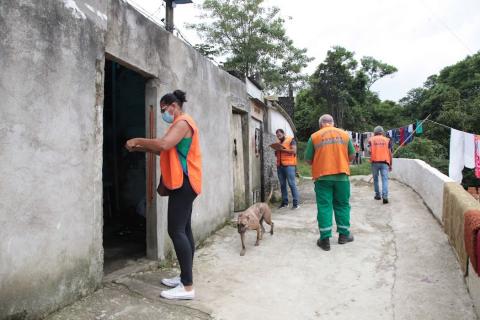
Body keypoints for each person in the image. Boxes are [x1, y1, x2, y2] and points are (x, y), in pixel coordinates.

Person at [125, 90, 201, 300]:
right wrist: (140, 148)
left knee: (175, 230)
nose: (163, 113)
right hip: (187, 183)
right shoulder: (179, 125)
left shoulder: (183, 122)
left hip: (184, 183)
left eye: (163, 109)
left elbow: (164, 145)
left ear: (173, 106)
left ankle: (187, 287)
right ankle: (185, 277)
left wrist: (137, 139)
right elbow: (165, 151)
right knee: (184, 229)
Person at [304, 114, 355, 251]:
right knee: (342, 205)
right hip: (342, 177)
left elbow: (308, 160)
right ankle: (344, 236)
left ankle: (325, 240)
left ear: (321, 124)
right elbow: (352, 155)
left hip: (322, 178)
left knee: (324, 206)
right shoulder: (344, 135)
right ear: (332, 123)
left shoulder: (314, 136)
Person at [274, 129, 300, 209]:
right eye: (277, 135)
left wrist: (282, 149)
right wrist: (276, 151)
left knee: (292, 184)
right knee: (282, 185)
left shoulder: (291, 140)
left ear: (283, 133)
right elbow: (277, 154)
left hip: (289, 165)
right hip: (280, 166)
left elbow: (294, 151)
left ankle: (296, 204)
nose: (278, 136)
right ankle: (285, 203)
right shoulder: (278, 143)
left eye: (280, 134)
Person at [368, 126, 392, 204]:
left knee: (376, 179)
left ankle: (377, 195)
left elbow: (369, 151)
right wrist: (390, 164)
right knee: (385, 179)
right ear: (382, 132)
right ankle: (385, 196)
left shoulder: (371, 140)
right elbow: (390, 153)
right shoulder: (387, 140)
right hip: (385, 162)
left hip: (374, 162)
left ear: (375, 132)